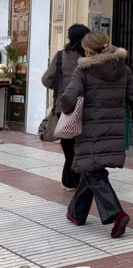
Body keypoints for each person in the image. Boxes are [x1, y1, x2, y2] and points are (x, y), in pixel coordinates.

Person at [59, 32, 133, 238]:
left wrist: (66, 108)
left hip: (90, 129)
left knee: (93, 171)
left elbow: (68, 99)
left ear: (88, 50)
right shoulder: (122, 68)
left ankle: (117, 214)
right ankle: (76, 213)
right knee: (90, 169)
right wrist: (118, 106)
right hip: (114, 129)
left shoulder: (84, 69)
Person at [41, 23, 91, 190]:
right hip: (86, 108)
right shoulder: (91, 56)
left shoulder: (61, 56)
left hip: (64, 107)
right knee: (82, 145)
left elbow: (46, 79)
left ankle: (71, 181)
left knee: (68, 145)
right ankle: (74, 180)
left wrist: (60, 87)